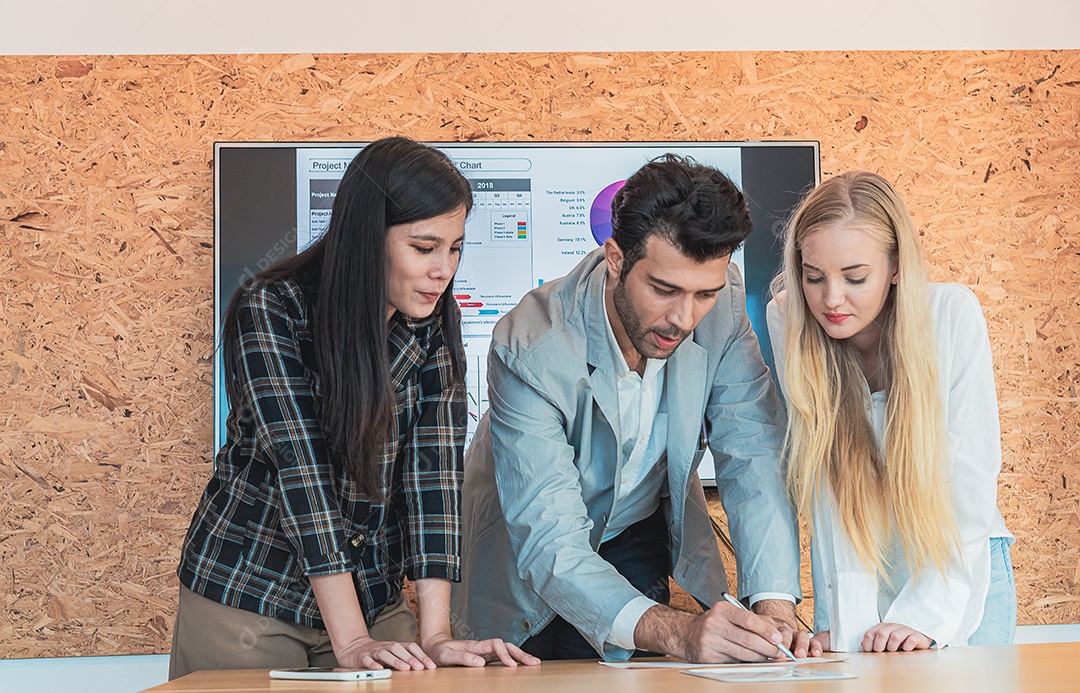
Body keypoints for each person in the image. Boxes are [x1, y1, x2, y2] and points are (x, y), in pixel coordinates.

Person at [171, 137, 538, 679]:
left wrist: (435, 634)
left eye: (455, 248)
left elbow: (433, 476)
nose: (444, 269)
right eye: (424, 247)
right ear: (368, 238)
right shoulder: (272, 307)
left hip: (372, 597)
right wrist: (351, 643)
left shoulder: (434, 319)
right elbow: (302, 473)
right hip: (251, 591)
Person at [451, 155, 806, 663]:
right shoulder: (529, 345)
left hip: (633, 528)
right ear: (615, 258)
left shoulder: (723, 307)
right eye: (663, 289)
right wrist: (682, 634)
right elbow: (551, 539)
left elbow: (753, 452)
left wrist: (775, 612)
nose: (683, 318)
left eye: (703, 292)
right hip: (523, 545)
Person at [766, 171, 1016, 654]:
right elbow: (829, 490)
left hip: (957, 568)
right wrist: (849, 624)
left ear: (896, 266)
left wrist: (925, 617)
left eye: (855, 277)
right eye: (813, 276)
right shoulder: (788, 318)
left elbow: (971, 484)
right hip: (856, 567)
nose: (831, 299)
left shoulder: (951, 316)